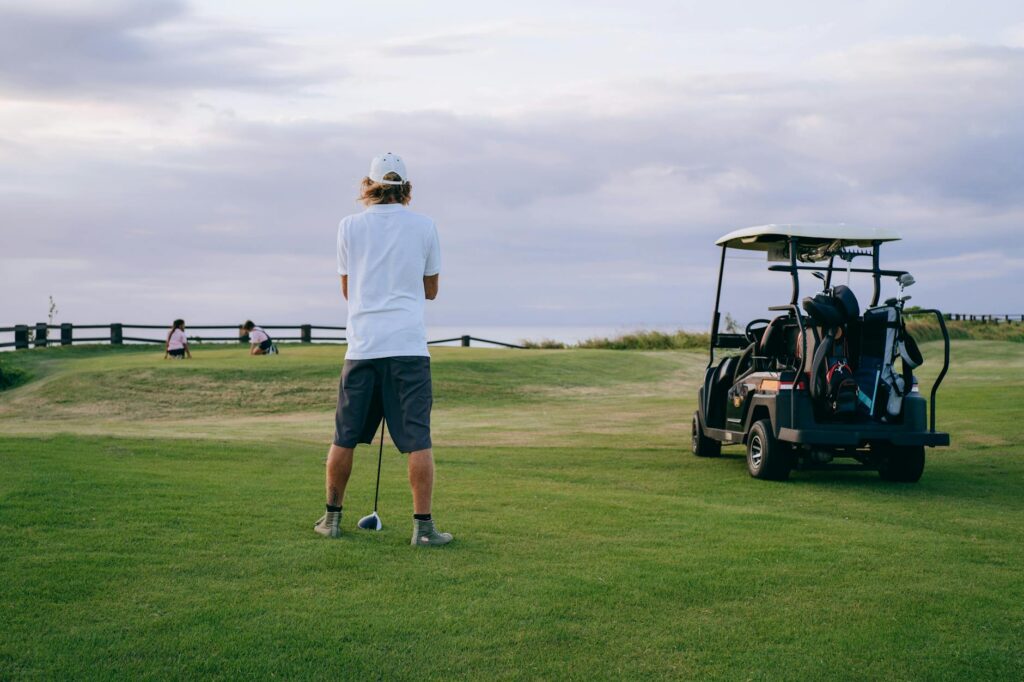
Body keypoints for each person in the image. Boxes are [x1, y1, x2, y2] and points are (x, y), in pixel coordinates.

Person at [314, 152, 451, 547]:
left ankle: (331, 520)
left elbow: (347, 290)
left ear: (368, 185)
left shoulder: (348, 227)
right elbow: (431, 290)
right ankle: (423, 530)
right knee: (418, 440)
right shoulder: (425, 226)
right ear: (406, 189)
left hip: (363, 347)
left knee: (344, 436)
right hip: (408, 347)